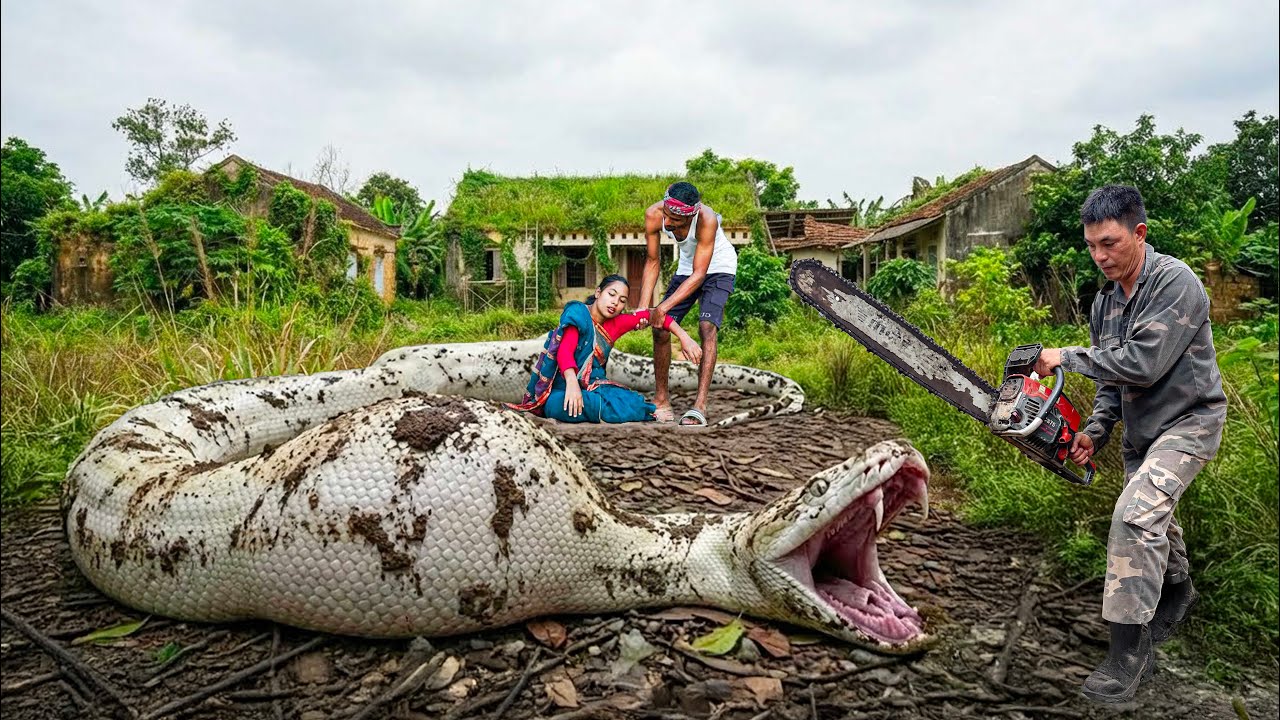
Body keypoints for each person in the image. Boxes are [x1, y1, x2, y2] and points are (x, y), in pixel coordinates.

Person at [1033, 185, 1226, 704]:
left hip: (1189, 422)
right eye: (1092, 245)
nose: (1100, 257)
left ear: (1139, 233)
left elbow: (1143, 363)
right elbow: (1112, 384)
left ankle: (1127, 654)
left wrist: (1063, 356)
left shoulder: (1174, 282)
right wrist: (1096, 430)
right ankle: (1178, 590)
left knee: (1134, 516)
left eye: (1110, 244)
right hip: (1143, 433)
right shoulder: (1105, 303)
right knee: (1155, 517)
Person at [507, 275, 701, 423]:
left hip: (594, 387)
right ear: (599, 293)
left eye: (622, 300)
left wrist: (685, 337)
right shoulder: (578, 313)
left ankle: (634, 409)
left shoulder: (616, 324)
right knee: (556, 407)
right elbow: (565, 351)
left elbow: (656, 316)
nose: (615, 302)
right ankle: (605, 409)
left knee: (628, 401)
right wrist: (573, 385)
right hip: (562, 386)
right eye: (612, 294)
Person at [637, 181, 738, 426]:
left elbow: (700, 275)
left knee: (706, 327)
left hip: (718, 267)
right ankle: (661, 399)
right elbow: (652, 261)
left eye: (676, 221)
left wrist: (662, 307)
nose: (668, 223)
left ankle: (699, 405)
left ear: (692, 214)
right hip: (687, 268)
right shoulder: (654, 214)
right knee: (659, 328)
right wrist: (643, 305)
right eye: (667, 216)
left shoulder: (707, 219)